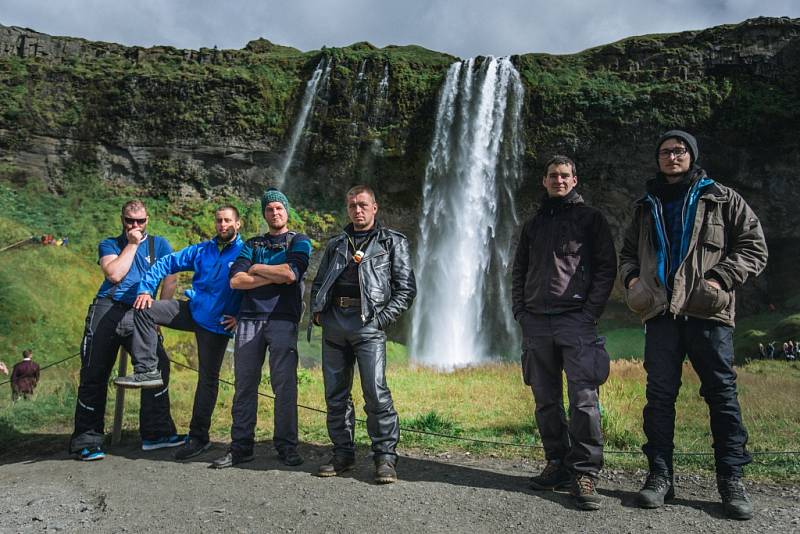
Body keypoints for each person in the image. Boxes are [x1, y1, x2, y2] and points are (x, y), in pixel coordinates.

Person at [619, 130, 768, 520]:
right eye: (666, 152)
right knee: (659, 397)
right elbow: (626, 253)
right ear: (658, 159)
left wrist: (718, 279)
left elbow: (754, 245)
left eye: (679, 151)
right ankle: (660, 477)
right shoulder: (643, 206)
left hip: (707, 312)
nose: (672, 157)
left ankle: (731, 480)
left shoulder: (722, 198)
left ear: (692, 156)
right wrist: (633, 281)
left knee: (721, 395)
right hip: (661, 314)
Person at [511, 155, 617, 511]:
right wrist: (520, 312)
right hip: (536, 321)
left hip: (575, 320)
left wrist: (589, 313)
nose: (559, 180)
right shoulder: (533, 225)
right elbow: (519, 270)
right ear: (544, 181)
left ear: (575, 180)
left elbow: (606, 268)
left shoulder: (591, 219)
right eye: (553, 175)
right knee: (545, 399)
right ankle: (557, 463)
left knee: (584, 399)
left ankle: (585, 472)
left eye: (565, 176)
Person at [113, 205, 244, 461]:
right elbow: (166, 262)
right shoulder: (202, 250)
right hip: (192, 310)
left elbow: (254, 284)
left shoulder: (245, 251)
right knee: (144, 309)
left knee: (207, 380)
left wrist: (241, 315)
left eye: (228, 220)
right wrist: (144, 289)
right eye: (219, 220)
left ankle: (198, 437)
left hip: (217, 323)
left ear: (237, 224)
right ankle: (148, 369)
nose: (222, 225)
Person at [309, 185, 416, 484]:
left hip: (367, 322)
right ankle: (342, 453)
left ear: (375, 207)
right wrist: (318, 312)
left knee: (376, 391)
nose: (358, 210)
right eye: (353, 205)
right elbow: (318, 282)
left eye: (363, 205)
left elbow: (406, 289)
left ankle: (384, 458)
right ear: (348, 208)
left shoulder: (392, 242)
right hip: (334, 322)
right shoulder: (336, 243)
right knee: (335, 394)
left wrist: (381, 319)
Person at [70, 200, 185, 461]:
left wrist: (158, 313)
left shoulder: (160, 245)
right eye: (130, 221)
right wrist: (132, 244)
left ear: (148, 220)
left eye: (140, 221)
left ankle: (156, 433)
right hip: (107, 309)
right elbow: (114, 274)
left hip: (142, 311)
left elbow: (171, 278)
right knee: (94, 371)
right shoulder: (110, 244)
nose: (135, 226)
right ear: (122, 220)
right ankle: (86, 439)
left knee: (158, 367)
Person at [211, 189, 312, 469]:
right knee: (244, 385)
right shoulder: (253, 242)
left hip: (283, 319)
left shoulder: (299, 241)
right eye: (269, 209)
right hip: (249, 320)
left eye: (279, 208)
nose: (275, 213)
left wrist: (256, 268)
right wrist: (274, 275)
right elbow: (236, 281)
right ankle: (241, 447)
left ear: (287, 211)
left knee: (285, 386)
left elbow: (292, 273)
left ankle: (286, 446)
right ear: (264, 214)